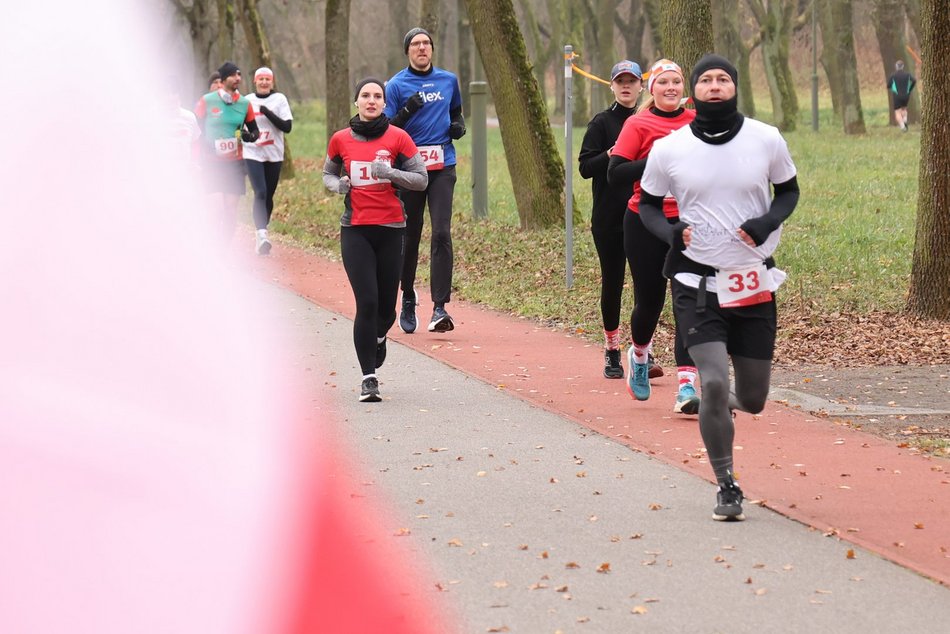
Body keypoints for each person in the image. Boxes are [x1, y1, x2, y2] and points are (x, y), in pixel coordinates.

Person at [638, 54, 799, 521]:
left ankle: (720, 408)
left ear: (734, 87)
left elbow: (788, 191)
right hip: (696, 282)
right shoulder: (671, 148)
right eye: (705, 80)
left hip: (751, 281)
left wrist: (767, 219)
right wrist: (671, 233)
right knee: (711, 383)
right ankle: (726, 484)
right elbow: (647, 205)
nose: (714, 86)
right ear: (695, 91)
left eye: (722, 79)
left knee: (752, 399)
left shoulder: (765, 138)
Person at [323, 78, 428, 402]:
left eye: (377, 96)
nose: (371, 101)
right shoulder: (341, 139)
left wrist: (391, 174)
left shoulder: (399, 137)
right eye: (365, 96)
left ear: (384, 103)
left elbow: (421, 180)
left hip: (391, 229)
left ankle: (380, 334)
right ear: (356, 102)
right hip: (355, 229)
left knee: (386, 309)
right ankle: (369, 378)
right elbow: (327, 175)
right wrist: (338, 185)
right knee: (366, 302)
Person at [607, 59, 700, 415]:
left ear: (684, 89)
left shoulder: (696, 123)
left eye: (676, 82)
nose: (671, 88)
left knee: (687, 304)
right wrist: (659, 160)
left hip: (688, 225)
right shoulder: (637, 124)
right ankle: (640, 355)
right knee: (650, 303)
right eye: (664, 82)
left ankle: (687, 386)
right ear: (653, 89)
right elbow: (616, 174)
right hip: (644, 222)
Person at [385, 27, 465, 334]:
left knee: (442, 232)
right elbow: (388, 127)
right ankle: (407, 295)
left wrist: (457, 127)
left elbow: (456, 112)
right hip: (410, 168)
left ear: (432, 49)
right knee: (410, 234)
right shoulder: (396, 85)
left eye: (426, 44)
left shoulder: (448, 80)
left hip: (443, 166)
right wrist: (407, 110)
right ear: (407, 51)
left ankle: (440, 307)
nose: (422, 48)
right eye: (416, 44)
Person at [578, 60, 643, 380]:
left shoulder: (649, 121)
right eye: (621, 81)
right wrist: (612, 152)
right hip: (608, 218)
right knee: (614, 283)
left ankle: (642, 350)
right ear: (612, 86)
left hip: (645, 216)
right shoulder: (601, 122)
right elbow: (585, 167)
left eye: (632, 80)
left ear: (642, 86)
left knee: (647, 287)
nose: (627, 86)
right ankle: (612, 351)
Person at [194, 62, 260, 239]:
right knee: (216, 209)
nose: (238, 78)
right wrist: (205, 144)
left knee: (230, 210)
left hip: (235, 164)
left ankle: (224, 249)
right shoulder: (207, 101)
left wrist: (249, 136)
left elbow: (255, 132)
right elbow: (196, 128)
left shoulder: (245, 103)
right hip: (212, 163)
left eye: (239, 74)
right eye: (233, 75)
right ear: (223, 80)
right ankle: (212, 244)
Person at [244, 66, 293, 255]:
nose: (264, 82)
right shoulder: (247, 101)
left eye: (267, 79)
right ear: (255, 81)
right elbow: (238, 127)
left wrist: (267, 112)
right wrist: (245, 136)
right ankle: (262, 234)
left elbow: (287, 127)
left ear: (272, 82)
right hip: (253, 152)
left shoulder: (279, 100)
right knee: (260, 192)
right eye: (260, 79)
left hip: (274, 153)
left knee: (269, 195)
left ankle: (261, 232)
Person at [888, 60, 916, 132]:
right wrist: (910, 88)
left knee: (897, 112)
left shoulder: (893, 75)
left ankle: (903, 126)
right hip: (906, 95)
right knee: (904, 109)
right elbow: (914, 81)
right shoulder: (907, 74)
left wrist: (893, 88)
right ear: (903, 66)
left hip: (897, 95)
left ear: (896, 66)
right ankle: (905, 119)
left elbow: (888, 85)